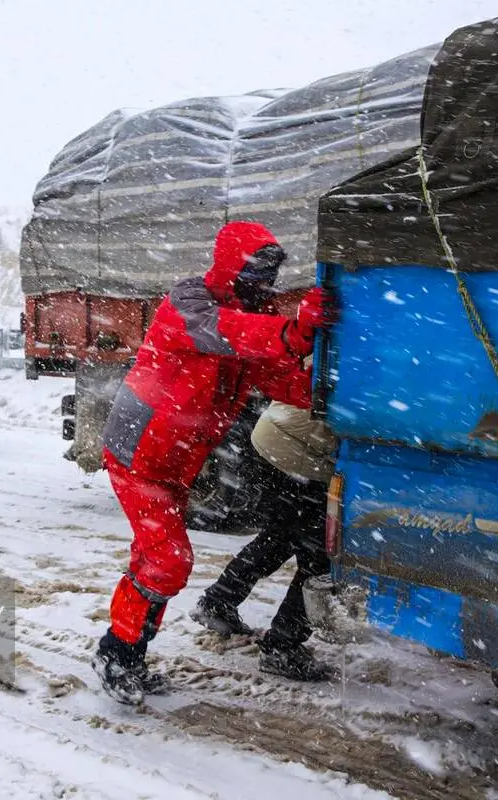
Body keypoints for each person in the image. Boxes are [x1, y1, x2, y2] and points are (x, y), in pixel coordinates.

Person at [92, 220, 331, 704]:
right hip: (138, 456)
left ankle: (125, 657)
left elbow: (279, 379)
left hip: (176, 460)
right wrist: (292, 330)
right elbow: (226, 333)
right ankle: (116, 654)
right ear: (231, 265)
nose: (263, 283)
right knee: (167, 561)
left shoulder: (250, 313)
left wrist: (338, 401)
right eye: (255, 271)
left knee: (152, 561)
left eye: (269, 274)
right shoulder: (189, 305)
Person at [191, 398, 338, 681]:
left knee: (281, 535)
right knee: (319, 556)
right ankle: (281, 647)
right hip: (296, 453)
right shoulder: (372, 366)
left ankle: (217, 602)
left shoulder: (343, 355)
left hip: (272, 439)